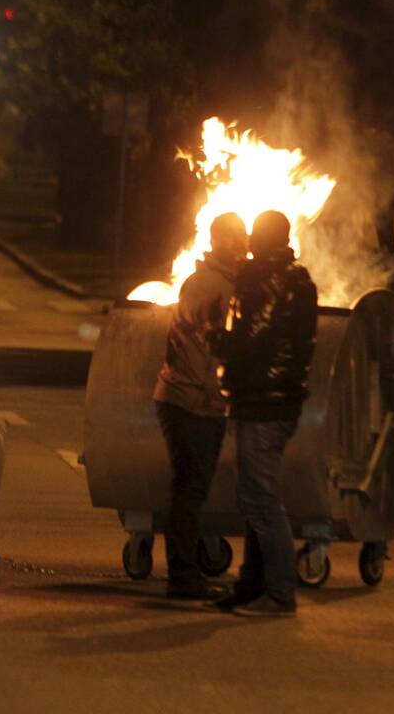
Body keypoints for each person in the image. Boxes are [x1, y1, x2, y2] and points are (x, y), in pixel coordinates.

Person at [212, 210, 317, 617]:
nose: (249, 239)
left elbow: (254, 335)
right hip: (276, 400)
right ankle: (251, 585)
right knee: (254, 498)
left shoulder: (267, 278)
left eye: (255, 233)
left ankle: (279, 593)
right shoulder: (297, 278)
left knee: (262, 500)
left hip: (262, 401)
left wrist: (216, 338)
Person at [153, 213, 247, 600]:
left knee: (188, 488)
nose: (240, 248)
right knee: (190, 490)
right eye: (232, 240)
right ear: (216, 240)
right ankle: (184, 577)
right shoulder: (211, 286)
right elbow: (210, 338)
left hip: (192, 399)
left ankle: (186, 571)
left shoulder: (218, 282)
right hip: (192, 401)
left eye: (242, 240)